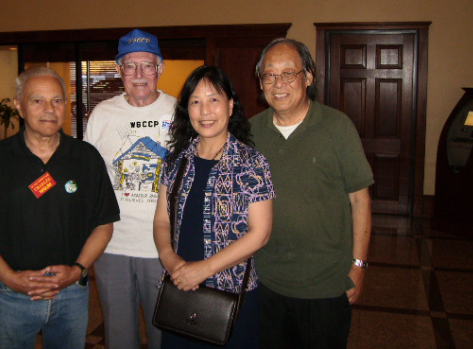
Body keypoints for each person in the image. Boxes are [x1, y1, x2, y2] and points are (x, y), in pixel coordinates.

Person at [0, 67, 120, 349]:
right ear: (19, 106)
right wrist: (10, 279)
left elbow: (104, 223)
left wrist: (78, 269)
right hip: (12, 296)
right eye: (37, 101)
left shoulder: (85, 158)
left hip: (71, 295)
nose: (49, 109)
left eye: (57, 100)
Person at [249, 38, 374, 348]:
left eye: (289, 73)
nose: (279, 83)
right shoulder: (250, 132)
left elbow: (360, 200)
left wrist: (358, 266)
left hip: (325, 286)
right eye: (269, 74)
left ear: (308, 77)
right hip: (266, 282)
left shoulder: (337, 127)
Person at [153, 65, 275, 349]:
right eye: (195, 101)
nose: (204, 110)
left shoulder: (251, 163)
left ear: (231, 106)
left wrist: (203, 270)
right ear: (187, 110)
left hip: (231, 298)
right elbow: (161, 221)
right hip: (180, 289)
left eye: (214, 99)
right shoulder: (175, 162)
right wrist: (170, 260)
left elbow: (261, 234)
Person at [84, 28, 176, 349]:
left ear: (160, 68)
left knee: (165, 335)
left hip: (164, 248)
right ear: (119, 69)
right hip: (111, 245)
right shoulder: (102, 115)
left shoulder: (182, 113)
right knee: (119, 337)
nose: (139, 75)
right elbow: (87, 179)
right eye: (130, 66)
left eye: (147, 65)